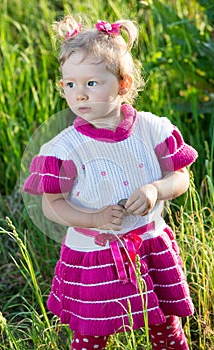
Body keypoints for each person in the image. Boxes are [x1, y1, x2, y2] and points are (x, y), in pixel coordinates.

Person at [23, 15, 198, 350]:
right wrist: (92, 219)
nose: (80, 96)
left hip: (147, 244)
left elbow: (180, 177)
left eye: (92, 83)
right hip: (96, 253)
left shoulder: (150, 129)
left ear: (123, 83)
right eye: (70, 84)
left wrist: (155, 189)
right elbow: (52, 204)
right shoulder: (64, 149)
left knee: (163, 323)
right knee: (92, 330)